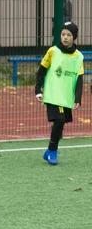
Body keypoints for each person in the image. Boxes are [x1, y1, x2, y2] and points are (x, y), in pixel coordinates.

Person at [35, 22, 83, 165]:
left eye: (69, 35)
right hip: (53, 95)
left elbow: (79, 78)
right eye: (63, 34)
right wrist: (38, 89)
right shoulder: (53, 51)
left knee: (61, 123)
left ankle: (50, 151)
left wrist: (78, 98)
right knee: (60, 120)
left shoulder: (78, 56)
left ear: (74, 37)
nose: (65, 37)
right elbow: (41, 71)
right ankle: (52, 151)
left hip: (66, 97)